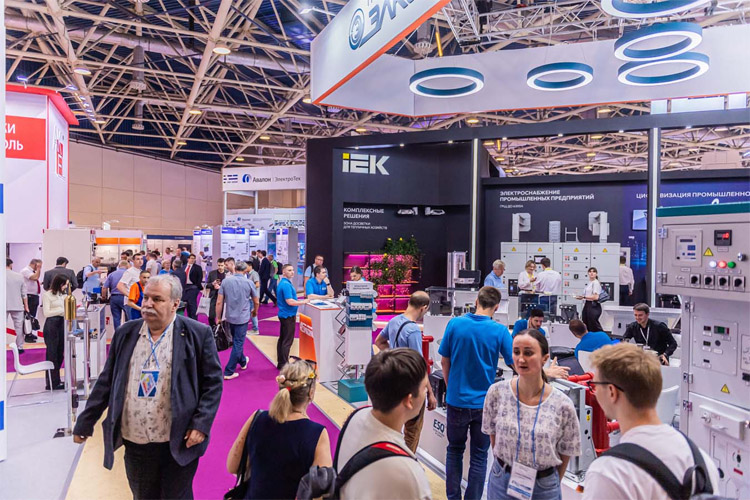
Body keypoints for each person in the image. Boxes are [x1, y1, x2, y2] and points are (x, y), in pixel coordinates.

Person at [72, 274, 223, 500]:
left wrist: (201, 424)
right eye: (146, 298)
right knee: (143, 496)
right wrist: (86, 421)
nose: (148, 304)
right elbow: (106, 381)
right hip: (136, 441)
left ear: (175, 304)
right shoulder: (126, 333)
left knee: (176, 497)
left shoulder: (197, 334)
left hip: (178, 439)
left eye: (157, 299)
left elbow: (213, 382)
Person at [582, 343, 720, 500]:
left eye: (595, 385)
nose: (595, 392)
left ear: (612, 392)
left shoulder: (609, 473)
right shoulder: (701, 460)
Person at [482, 329, 582, 500]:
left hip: (543, 487)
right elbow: (493, 438)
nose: (521, 359)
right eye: (516, 352)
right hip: (502, 480)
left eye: (528, 353)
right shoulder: (497, 392)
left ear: (545, 358)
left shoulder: (562, 404)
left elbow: (566, 451)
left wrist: (549, 481)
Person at [438, 286, 514, 500]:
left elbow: (444, 361)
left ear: (476, 301)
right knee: (479, 457)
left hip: (456, 400)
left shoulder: (455, 324)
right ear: (496, 307)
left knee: (454, 450)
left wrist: (451, 387)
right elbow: (515, 363)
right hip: (484, 405)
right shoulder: (500, 331)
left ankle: (453, 497)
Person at [227, 358, 332, 499]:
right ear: (311, 393)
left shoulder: (257, 418)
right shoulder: (317, 434)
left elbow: (232, 466)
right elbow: (322, 492)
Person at [337, 348, 432, 500]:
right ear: (409, 400)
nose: (426, 393)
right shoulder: (408, 473)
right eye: (424, 388)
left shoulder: (354, 418)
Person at [374, 291, 437, 453]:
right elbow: (419, 365)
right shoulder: (413, 330)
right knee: (412, 431)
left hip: (394, 381)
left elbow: (379, 342)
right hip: (411, 387)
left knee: (392, 426)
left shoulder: (394, 321)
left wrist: (395, 356)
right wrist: (430, 393)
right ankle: (406, 460)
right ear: (423, 308)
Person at [216, 261, 259, 380]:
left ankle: (243, 361)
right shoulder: (249, 282)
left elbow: (219, 301)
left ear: (235, 268)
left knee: (236, 341)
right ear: (245, 270)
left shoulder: (226, 281)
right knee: (238, 343)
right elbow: (256, 301)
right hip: (242, 317)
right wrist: (255, 312)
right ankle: (229, 371)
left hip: (230, 316)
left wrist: (218, 317)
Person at [276, 264, 308, 370]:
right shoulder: (286, 285)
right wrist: (303, 302)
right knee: (287, 341)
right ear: (284, 272)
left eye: (293, 270)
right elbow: (289, 301)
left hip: (285, 314)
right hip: (288, 315)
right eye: (289, 270)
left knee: (283, 339)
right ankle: (284, 364)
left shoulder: (284, 283)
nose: (292, 272)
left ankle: (281, 363)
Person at [42, 274, 68, 390]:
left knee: (59, 353)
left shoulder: (63, 295)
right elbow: (47, 313)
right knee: (52, 354)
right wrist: (61, 310)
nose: (66, 287)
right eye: (65, 284)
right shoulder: (47, 295)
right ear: (60, 284)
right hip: (51, 325)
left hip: (62, 324)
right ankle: (51, 382)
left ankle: (56, 380)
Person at [6, 259, 30, 353]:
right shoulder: (19, 276)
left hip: (3, 305)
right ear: (11, 265)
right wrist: (26, 306)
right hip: (17, 305)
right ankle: (20, 347)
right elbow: (24, 294)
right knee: (19, 328)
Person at [103, 260, 129, 331]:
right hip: (126, 297)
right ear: (127, 266)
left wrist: (104, 297)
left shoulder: (112, 274)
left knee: (116, 318)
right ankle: (128, 333)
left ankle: (118, 333)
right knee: (128, 317)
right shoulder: (129, 274)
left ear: (119, 266)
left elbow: (104, 288)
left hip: (114, 298)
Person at [21, 258, 43, 342]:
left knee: (32, 316)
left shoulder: (32, 272)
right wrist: (38, 269)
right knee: (28, 316)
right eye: (39, 266)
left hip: (34, 296)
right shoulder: (25, 270)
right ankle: (27, 334)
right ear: (35, 264)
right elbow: (34, 278)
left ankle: (29, 332)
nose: (40, 267)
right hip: (29, 296)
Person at [576, 267, 604, 333]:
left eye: (593, 272)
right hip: (587, 304)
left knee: (593, 324)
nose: (591, 273)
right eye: (590, 271)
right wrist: (582, 297)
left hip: (593, 305)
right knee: (586, 322)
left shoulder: (595, 283)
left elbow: (596, 297)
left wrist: (584, 297)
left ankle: (602, 337)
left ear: (596, 274)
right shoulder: (590, 283)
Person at [205, 258, 227, 328]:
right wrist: (213, 284)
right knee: (211, 315)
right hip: (214, 296)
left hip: (224, 297)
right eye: (219, 265)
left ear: (224, 265)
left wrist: (221, 287)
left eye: (221, 265)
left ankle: (221, 329)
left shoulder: (228, 274)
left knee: (223, 315)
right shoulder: (212, 273)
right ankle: (213, 327)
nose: (220, 267)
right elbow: (207, 285)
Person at [180, 254, 204, 320]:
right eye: (191, 258)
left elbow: (200, 278)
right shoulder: (183, 267)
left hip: (193, 287)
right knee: (186, 305)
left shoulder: (197, 268)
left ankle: (194, 320)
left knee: (192, 304)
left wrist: (197, 286)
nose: (193, 260)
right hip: (184, 287)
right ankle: (189, 320)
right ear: (188, 259)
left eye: (194, 258)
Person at [247, 261, 261, 334]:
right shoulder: (248, 274)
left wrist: (249, 288)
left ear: (250, 266)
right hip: (250, 297)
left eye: (246, 266)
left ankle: (255, 329)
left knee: (253, 313)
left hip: (253, 297)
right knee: (251, 312)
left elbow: (257, 284)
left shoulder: (254, 274)